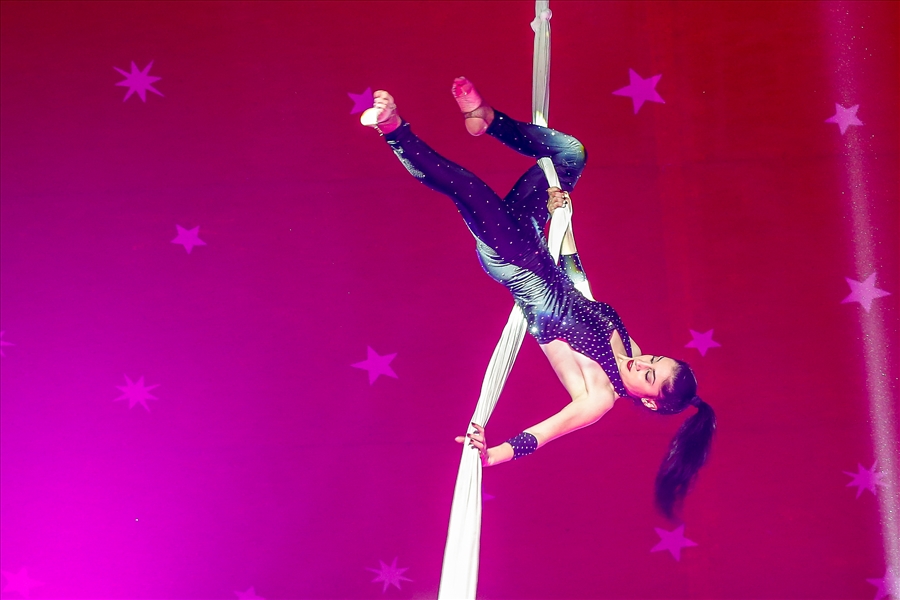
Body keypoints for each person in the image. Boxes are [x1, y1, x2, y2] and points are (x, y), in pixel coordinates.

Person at [360, 78, 716, 518]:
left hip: (516, 262)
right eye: (655, 360)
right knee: (570, 155)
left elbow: (543, 434)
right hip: (535, 242)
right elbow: (578, 285)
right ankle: (486, 119)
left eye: (648, 376)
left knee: (465, 187)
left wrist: (492, 455)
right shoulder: (630, 348)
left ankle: (393, 129)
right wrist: (562, 221)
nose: (642, 364)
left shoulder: (597, 397)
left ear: (648, 400)